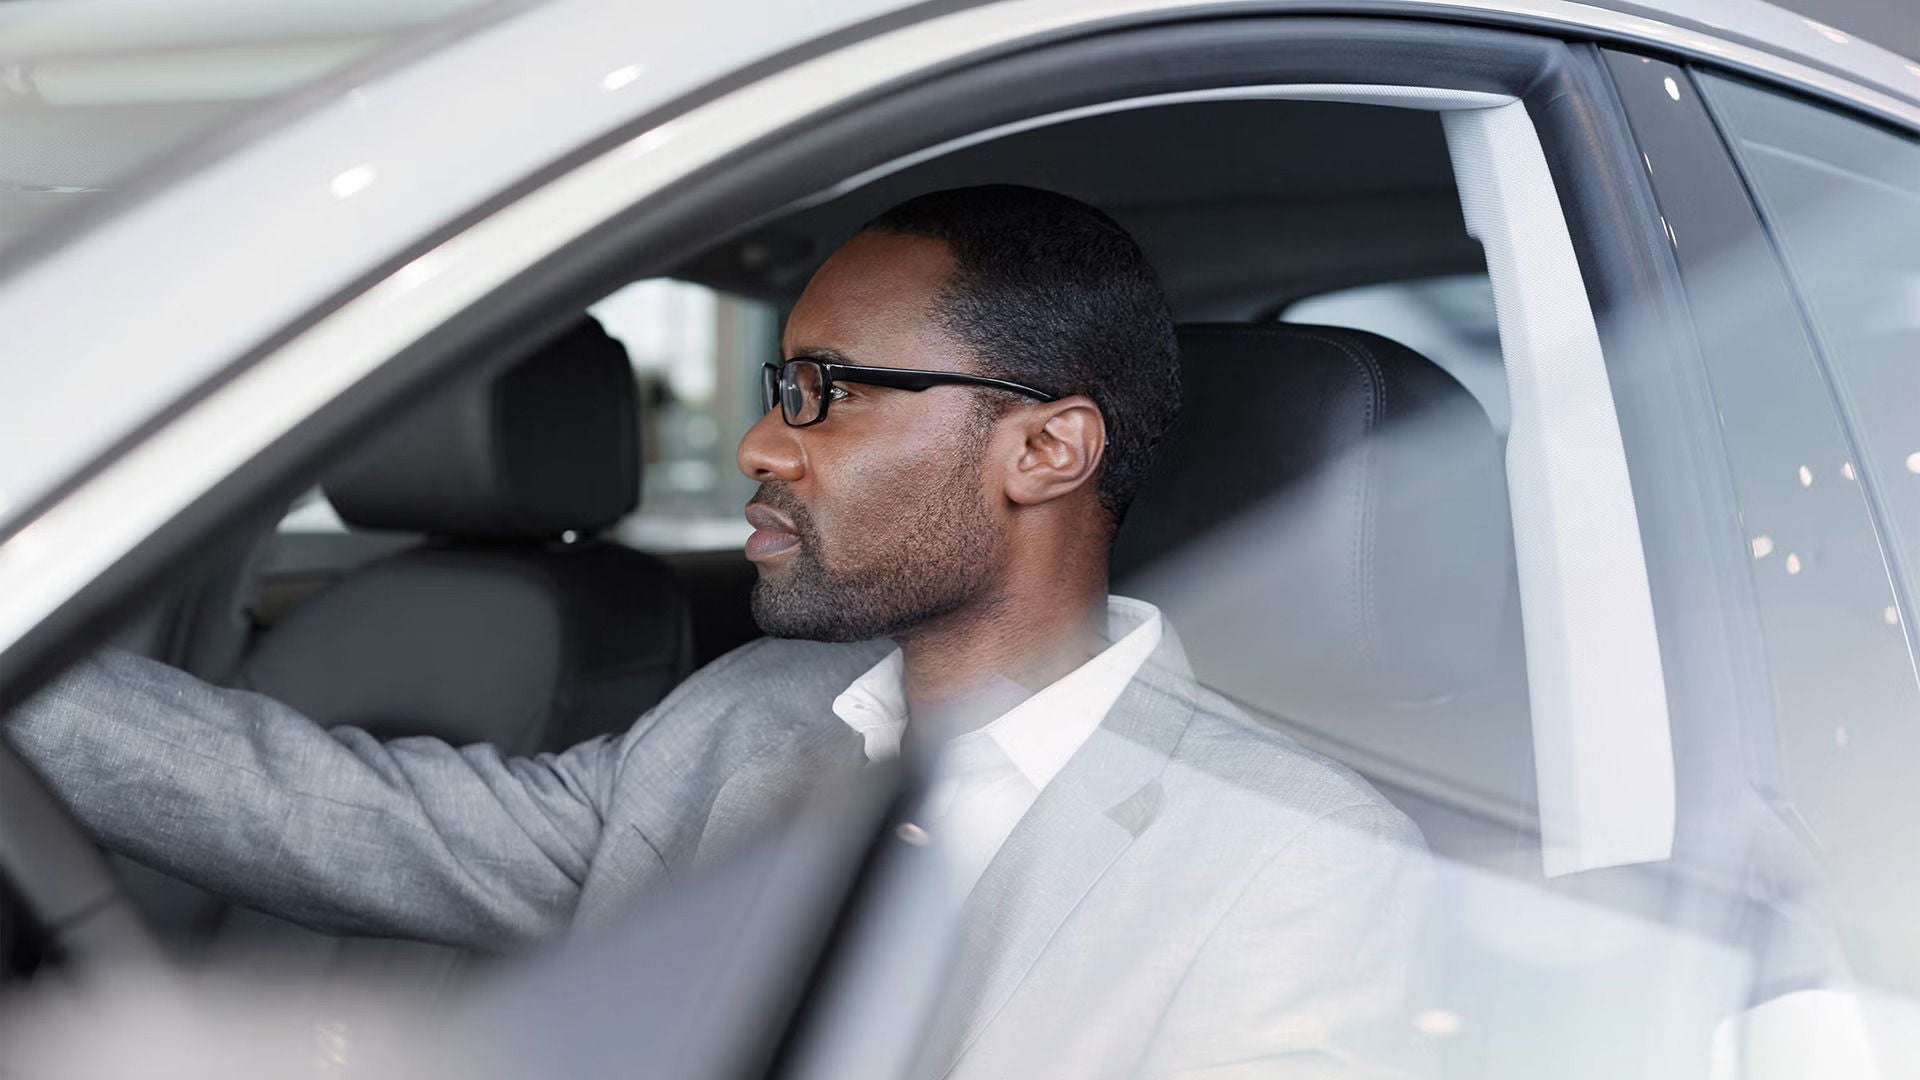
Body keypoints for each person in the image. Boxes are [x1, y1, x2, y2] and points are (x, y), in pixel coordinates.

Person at [6, 185, 1426, 1077]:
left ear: (1046, 450)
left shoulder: (1297, 864)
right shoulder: (752, 710)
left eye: (824, 391)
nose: (758, 441)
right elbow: (345, 816)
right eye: (772, 384)